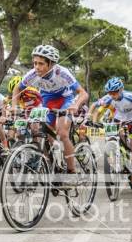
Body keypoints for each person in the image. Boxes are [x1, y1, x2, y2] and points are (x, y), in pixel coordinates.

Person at [11, 45, 89, 174]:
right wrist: (13, 106)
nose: (36, 67)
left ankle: (72, 171)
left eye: (41, 64)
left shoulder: (62, 73)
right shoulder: (32, 74)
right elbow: (17, 89)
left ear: (51, 64)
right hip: (47, 100)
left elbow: (83, 93)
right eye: (35, 63)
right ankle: (51, 162)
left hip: (65, 99)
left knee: (62, 132)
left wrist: (76, 104)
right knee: (39, 130)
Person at [87, 77, 132, 185]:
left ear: (121, 90)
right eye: (110, 93)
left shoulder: (131, 96)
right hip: (118, 121)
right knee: (114, 138)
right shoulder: (109, 98)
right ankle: (118, 158)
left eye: (114, 93)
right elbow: (94, 105)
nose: (112, 95)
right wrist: (89, 116)